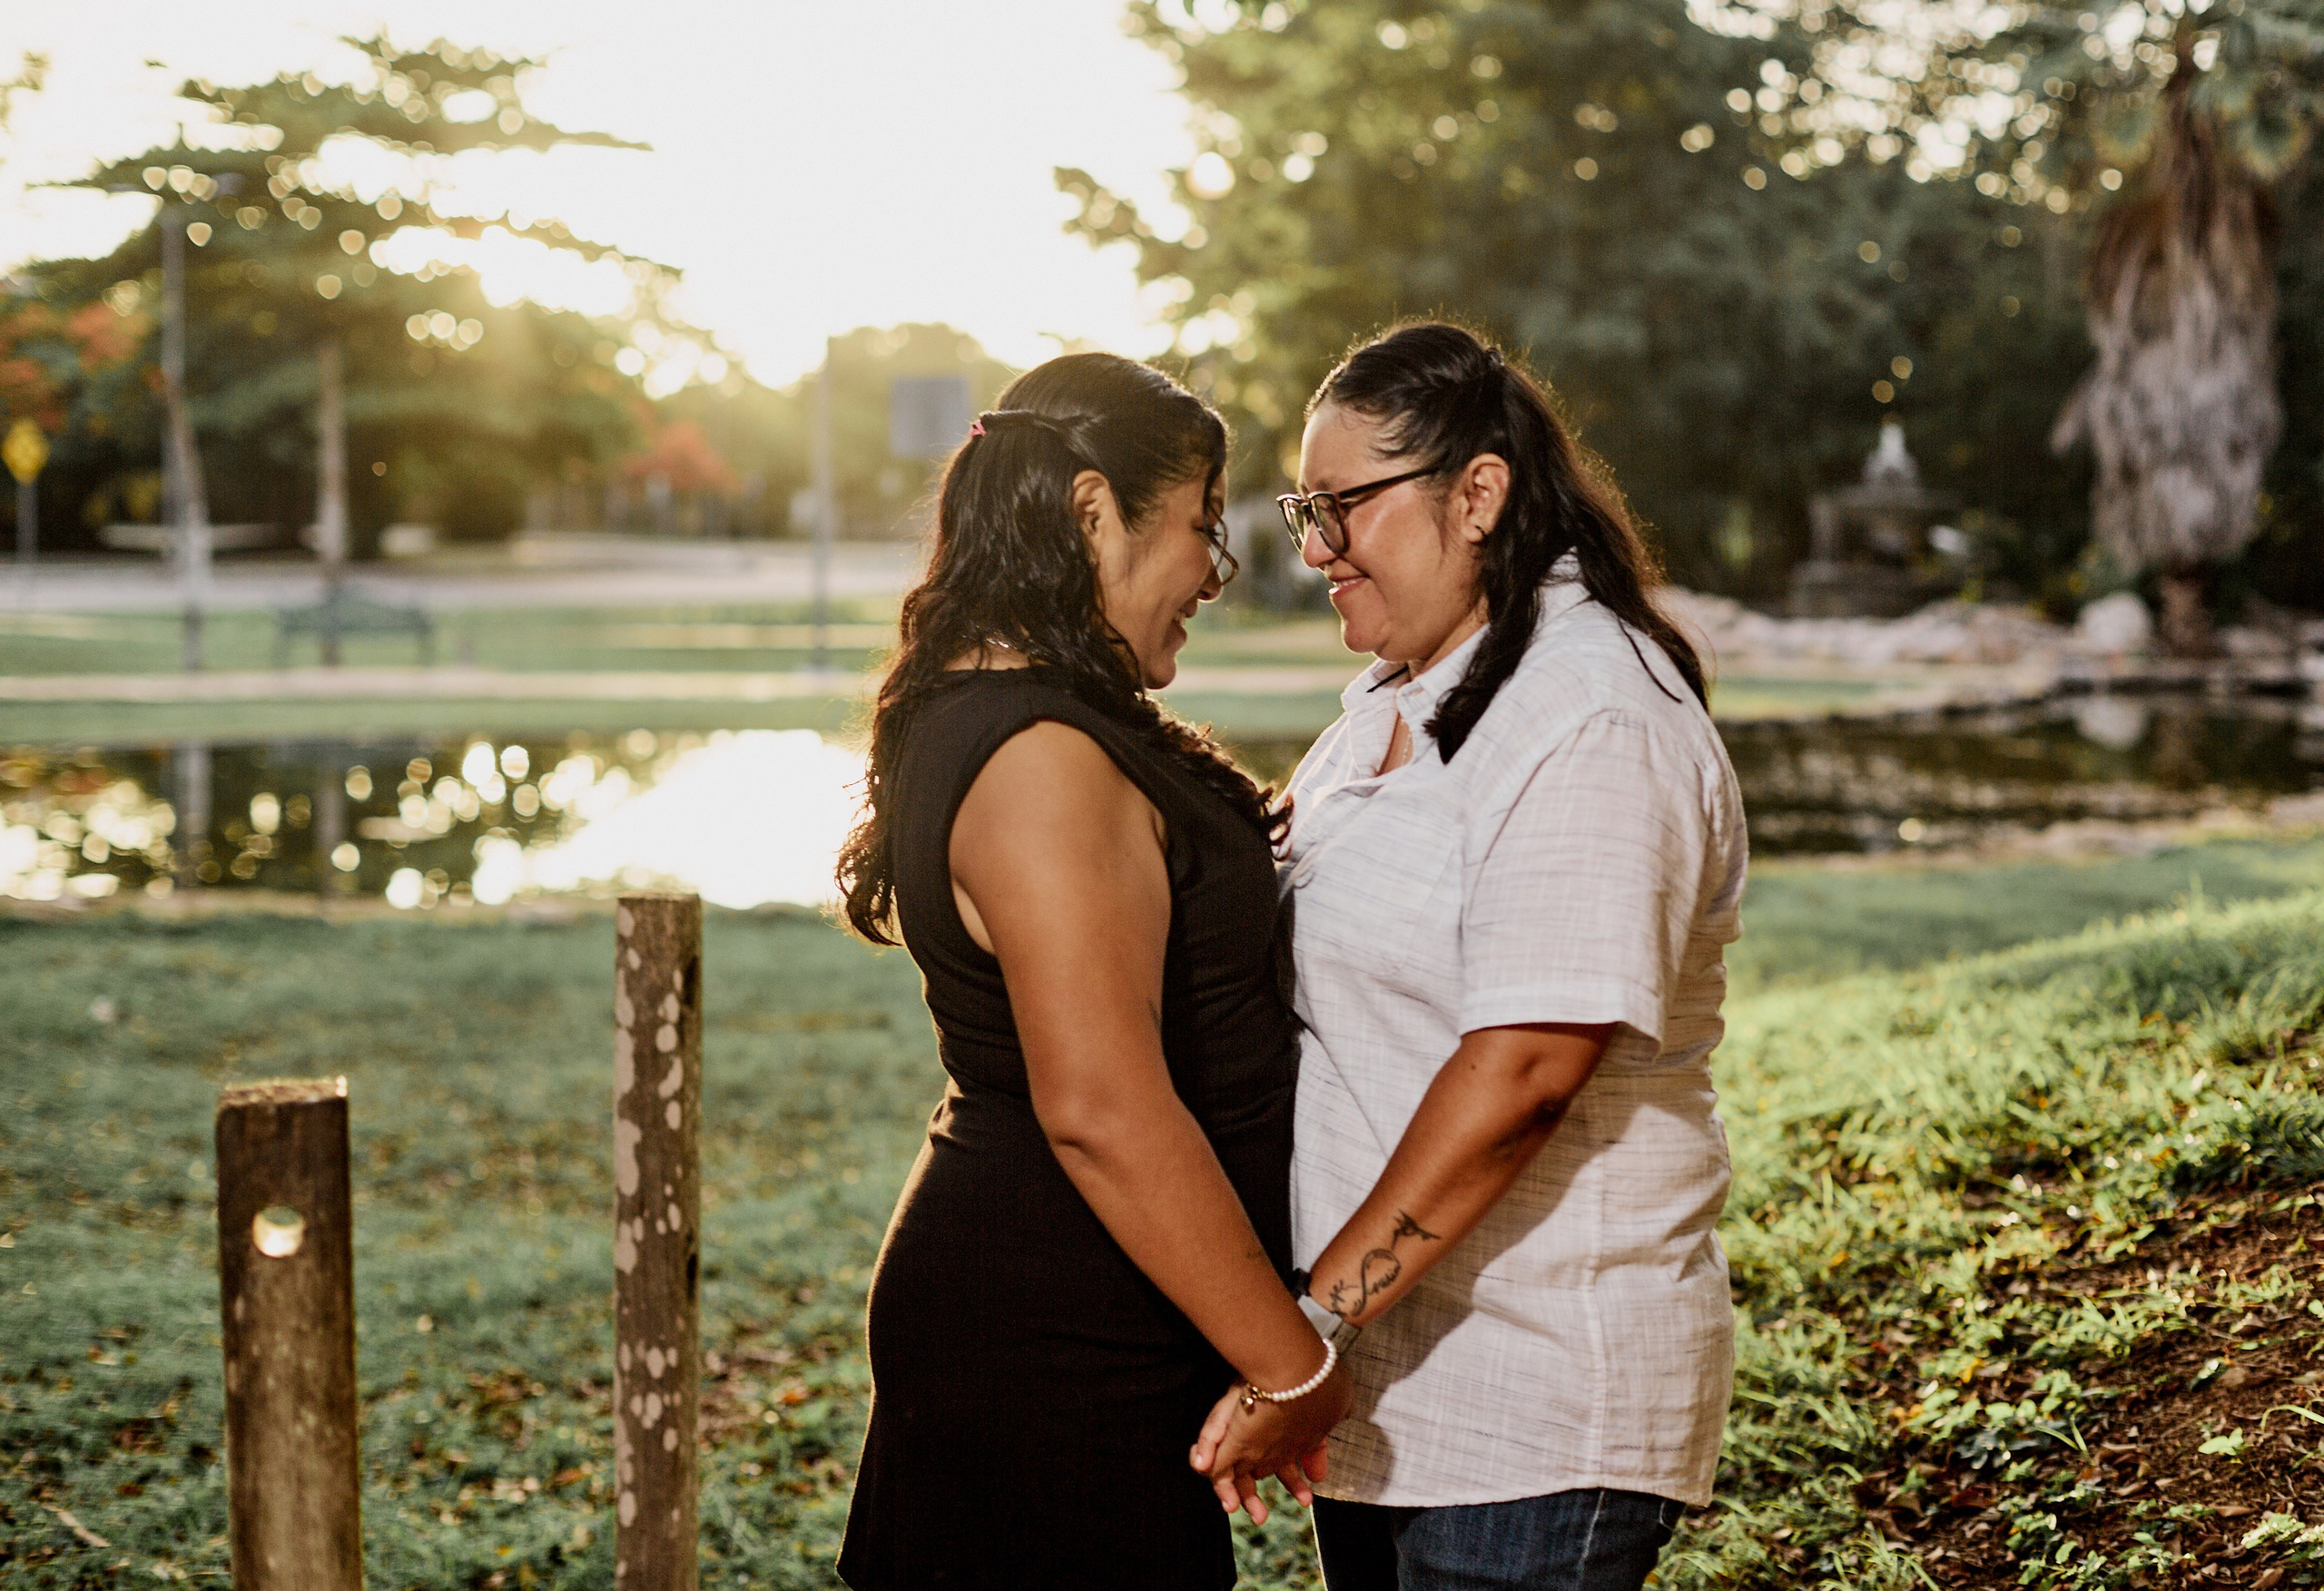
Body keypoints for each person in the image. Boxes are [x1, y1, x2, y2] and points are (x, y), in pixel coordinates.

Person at [1191, 322, 1748, 1591]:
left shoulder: (1592, 713)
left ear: (1480, 492)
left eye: (1344, 508)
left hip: (1533, 1410)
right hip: (1389, 1399)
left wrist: (1309, 1335)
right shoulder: (1396, 699)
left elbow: (1528, 1070)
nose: (1317, 548)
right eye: (1304, 510)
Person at [834, 351, 1352, 1590]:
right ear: (1087, 512)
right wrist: (1295, 1366)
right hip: (1050, 1346)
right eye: (1196, 525)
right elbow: (1105, 1110)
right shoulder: (1039, 760)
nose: (1211, 576)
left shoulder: (1030, 710)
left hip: (1069, 1312)